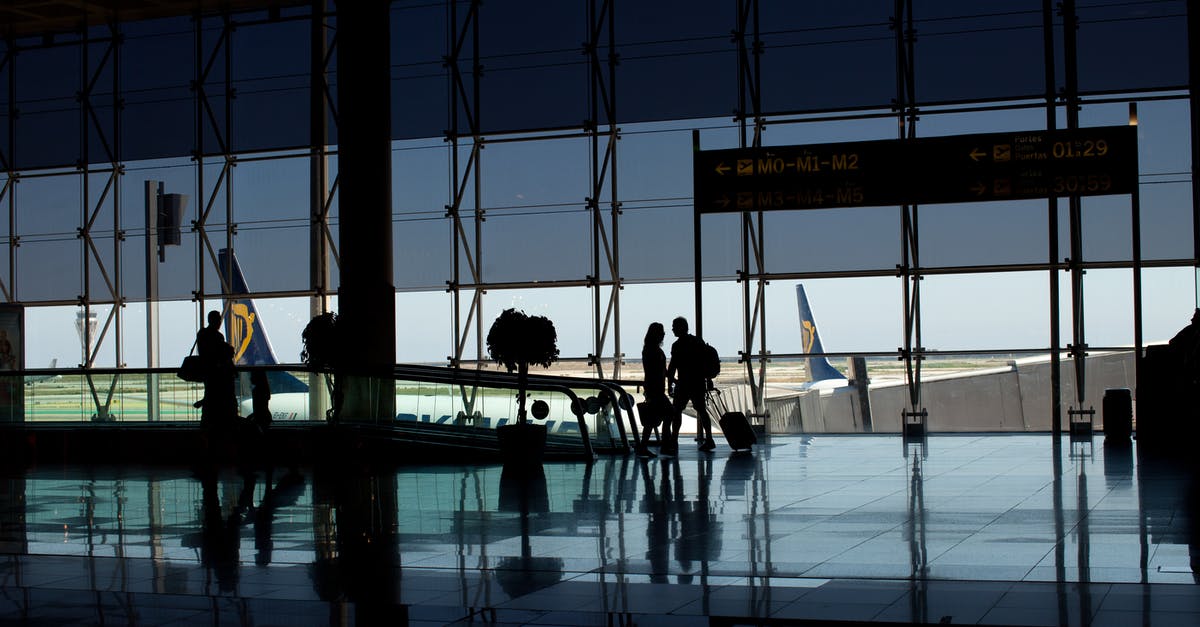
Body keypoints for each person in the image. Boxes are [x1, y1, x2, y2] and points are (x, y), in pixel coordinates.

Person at [667, 316, 715, 451]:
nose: (672, 329)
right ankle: (709, 439)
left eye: (674, 327)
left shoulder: (677, 346)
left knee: (677, 412)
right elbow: (704, 363)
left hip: (683, 383)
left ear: (680, 328)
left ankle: (674, 440)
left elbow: (673, 367)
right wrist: (708, 379)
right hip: (698, 382)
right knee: (702, 411)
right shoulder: (697, 342)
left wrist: (669, 383)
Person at [196, 310, 237, 431]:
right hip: (218, 376)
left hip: (209, 374)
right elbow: (221, 354)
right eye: (219, 319)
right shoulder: (218, 337)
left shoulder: (202, 334)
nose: (220, 322)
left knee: (209, 403)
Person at [639, 322, 671, 458]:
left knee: (651, 420)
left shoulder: (650, 349)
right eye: (661, 332)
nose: (663, 334)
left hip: (654, 389)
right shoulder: (654, 351)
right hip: (655, 389)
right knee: (669, 413)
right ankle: (664, 445)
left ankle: (644, 447)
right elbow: (658, 371)